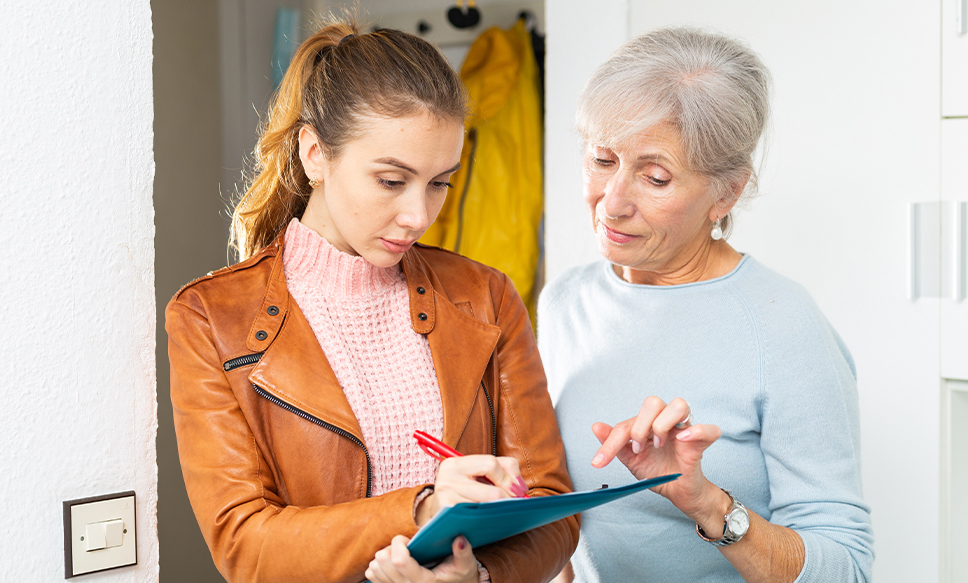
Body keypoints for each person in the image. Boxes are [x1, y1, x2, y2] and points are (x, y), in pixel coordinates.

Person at [166, 19, 577, 583]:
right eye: (391, 180)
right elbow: (244, 545)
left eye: (440, 183)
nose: (418, 216)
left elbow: (552, 508)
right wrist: (423, 509)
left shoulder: (486, 296)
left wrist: (478, 577)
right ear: (315, 153)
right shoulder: (210, 318)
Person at [538, 27, 874, 583]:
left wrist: (706, 503)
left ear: (726, 193)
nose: (612, 203)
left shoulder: (783, 325)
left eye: (656, 177)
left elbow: (847, 569)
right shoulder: (564, 302)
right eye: (601, 159)